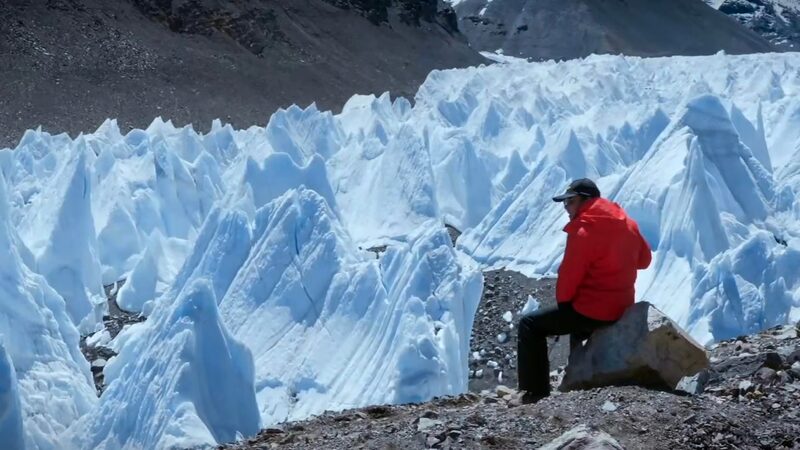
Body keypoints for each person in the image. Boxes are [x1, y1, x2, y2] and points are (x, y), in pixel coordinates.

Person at [516, 178, 652, 403]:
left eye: (569, 202)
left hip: (594, 311)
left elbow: (569, 276)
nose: (566, 208)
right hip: (622, 307)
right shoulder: (628, 223)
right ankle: (580, 382)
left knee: (530, 325)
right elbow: (645, 260)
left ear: (584, 200)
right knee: (578, 322)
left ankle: (535, 392)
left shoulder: (583, 229)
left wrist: (566, 304)